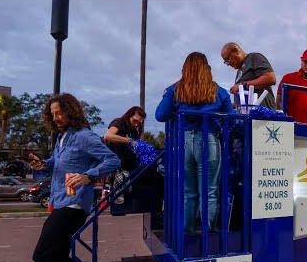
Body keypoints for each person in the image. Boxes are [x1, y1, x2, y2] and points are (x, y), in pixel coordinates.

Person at [29, 93, 120, 262]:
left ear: (71, 112)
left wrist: (88, 176)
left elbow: (113, 160)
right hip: (60, 200)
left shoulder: (84, 136)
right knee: (57, 258)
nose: (56, 118)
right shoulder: (61, 138)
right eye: (53, 114)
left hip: (74, 204)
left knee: (44, 254)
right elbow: (56, 161)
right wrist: (44, 164)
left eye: (60, 113)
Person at [155, 51, 234, 232]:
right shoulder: (218, 91)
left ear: (185, 69)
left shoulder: (176, 89)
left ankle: (188, 232)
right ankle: (207, 234)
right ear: (207, 69)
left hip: (183, 142)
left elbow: (160, 115)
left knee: (189, 192)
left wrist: (178, 113)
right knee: (210, 191)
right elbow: (231, 117)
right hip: (208, 140)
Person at [104, 106, 146, 204]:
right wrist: (128, 140)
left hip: (129, 164)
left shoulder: (135, 131)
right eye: (135, 120)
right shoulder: (119, 122)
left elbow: (135, 146)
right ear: (129, 115)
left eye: (139, 122)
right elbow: (108, 136)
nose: (136, 124)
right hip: (116, 163)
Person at [221, 42, 277, 109]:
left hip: (263, 114)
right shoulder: (239, 71)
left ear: (235, 51)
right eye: (225, 61)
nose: (227, 64)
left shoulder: (254, 57)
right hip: (247, 115)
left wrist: (242, 85)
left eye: (227, 59)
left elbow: (270, 78)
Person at [276, 48, 307, 124]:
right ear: (301, 61)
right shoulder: (288, 78)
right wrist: (285, 119)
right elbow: (279, 101)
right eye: (305, 62)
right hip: (291, 126)